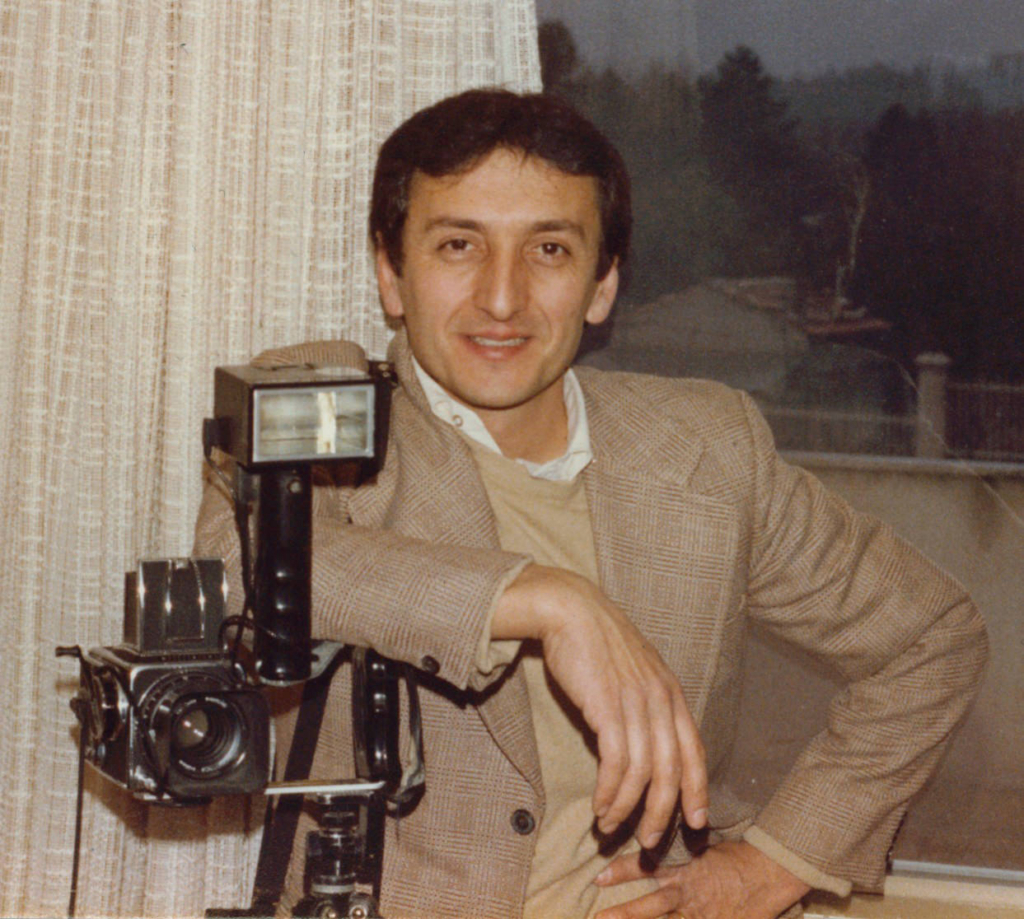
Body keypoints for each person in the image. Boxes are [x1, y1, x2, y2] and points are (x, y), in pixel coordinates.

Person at [194, 89, 987, 919]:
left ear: (602, 284)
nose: (502, 298)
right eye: (459, 244)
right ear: (392, 274)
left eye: (549, 250)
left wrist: (772, 864)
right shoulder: (320, 413)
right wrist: (547, 600)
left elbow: (933, 638)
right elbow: (242, 571)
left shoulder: (708, 446)